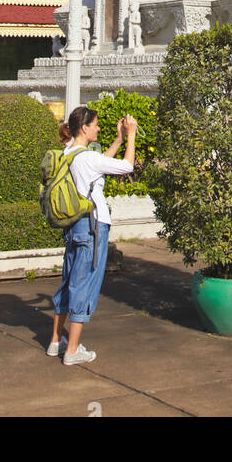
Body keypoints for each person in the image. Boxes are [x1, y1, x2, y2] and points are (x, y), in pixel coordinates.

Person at [48, 105, 137, 366]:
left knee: (68, 281)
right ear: (84, 128)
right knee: (84, 284)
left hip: (74, 226)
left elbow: (102, 165)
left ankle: (56, 342)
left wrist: (118, 139)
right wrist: (131, 135)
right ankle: (73, 350)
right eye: (96, 124)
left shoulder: (69, 153)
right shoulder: (87, 158)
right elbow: (126, 166)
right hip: (92, 226)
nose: (98, 128)